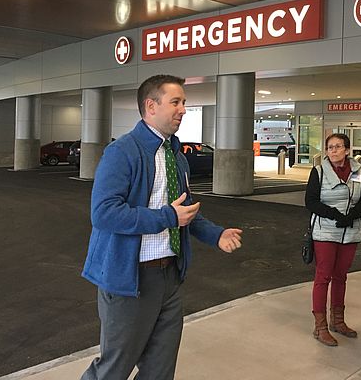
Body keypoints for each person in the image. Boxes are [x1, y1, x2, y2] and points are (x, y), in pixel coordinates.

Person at [80, 74, 243, 380]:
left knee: (159, 370)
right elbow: (103, 214)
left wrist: (216, 234)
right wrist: (166, 217)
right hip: (130, 279)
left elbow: (184, 212)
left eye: (184, 102)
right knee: (114, 368)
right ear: (151, 106)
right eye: (176, 102)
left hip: (169, 277)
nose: (183, 109)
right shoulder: (122, 152)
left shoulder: (175, 157)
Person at [304, 133, 361, 346]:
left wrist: (351, 217)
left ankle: (338, 321)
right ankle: (320, 327)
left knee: (341, 276)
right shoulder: (318, 172)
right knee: (323, 276)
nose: (333, 151)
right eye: (330, 147)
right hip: (325, 231)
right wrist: (335, 215)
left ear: (347, 150)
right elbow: (311, 201)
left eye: (338, 147)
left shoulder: (357, 172)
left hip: (350, 231)